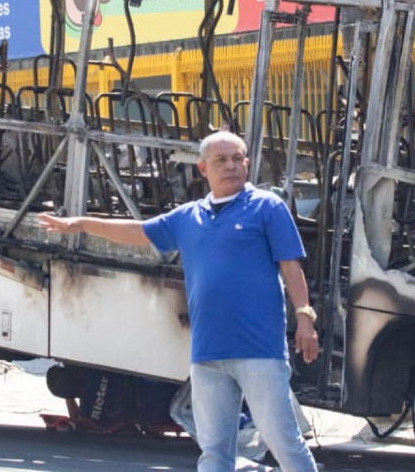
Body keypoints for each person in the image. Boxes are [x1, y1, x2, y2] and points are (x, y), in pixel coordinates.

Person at [38, 131, 320, 472]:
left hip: (260, 352)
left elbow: (292, 267)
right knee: (214, 453)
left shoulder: (267, 208)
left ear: (247, 163)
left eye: (237, 159)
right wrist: (79, 224)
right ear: (203, 168)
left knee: (284, 444)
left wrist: (305, 319)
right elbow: (138, 232)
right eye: (221, 160)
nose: (231, 165)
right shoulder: (189, 217)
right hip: (208, 357)